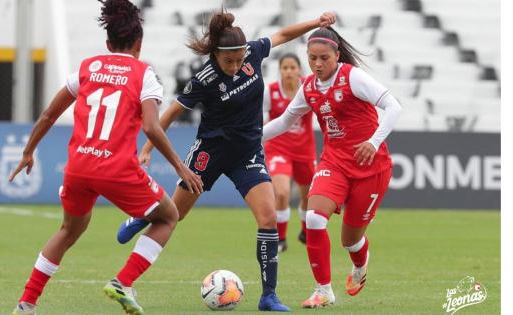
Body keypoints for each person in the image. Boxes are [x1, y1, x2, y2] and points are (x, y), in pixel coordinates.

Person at [116, 8, 337, 312]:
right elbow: (168, 114)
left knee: (268, 217)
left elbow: (284, 35)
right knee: (176, 215)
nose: (235, 66)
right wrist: (147, 149)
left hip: (247, 152)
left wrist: (316, 22)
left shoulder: (253, 53)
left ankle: (268, 296)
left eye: (239, 59)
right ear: (216, 56)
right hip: (211, 154)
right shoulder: (204, 79)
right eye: (228, 61)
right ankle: (142, 217)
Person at [10, 1, 203, 314]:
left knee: (67, 231)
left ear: (108, 44)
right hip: (116, 169)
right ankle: (123, 282)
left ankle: (26, 303)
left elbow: (47, 115)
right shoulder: (144, 74)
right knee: (168, 216)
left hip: (79, 167)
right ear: (139, 44)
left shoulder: (87, 68)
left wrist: (29, 151)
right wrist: (182, 167)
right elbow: (152, 128)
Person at [262, 27, 402, 308]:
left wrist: (373, 143)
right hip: (334, 162)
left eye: (324, 58)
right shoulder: (310, 87)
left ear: (337, 55)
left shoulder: (352, 77)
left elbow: (393, 106)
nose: (317, 64)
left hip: (370, 166)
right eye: (312, 58)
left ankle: (360, 263)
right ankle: (323, 290)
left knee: (350, 240)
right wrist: (249, 138)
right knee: (314, 218)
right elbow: (284, 121)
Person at [262, 53, 316, 252]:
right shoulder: (271, 92)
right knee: (282, 193)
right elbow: (262, 119)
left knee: (309, 195)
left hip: (304, 149)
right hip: (278, 148)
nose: (289, 72)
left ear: (299, 70)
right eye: (285, 68)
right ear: (280, 71)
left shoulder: (310, 87)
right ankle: (281, 239)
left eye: (293, 67)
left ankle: (305, 232)